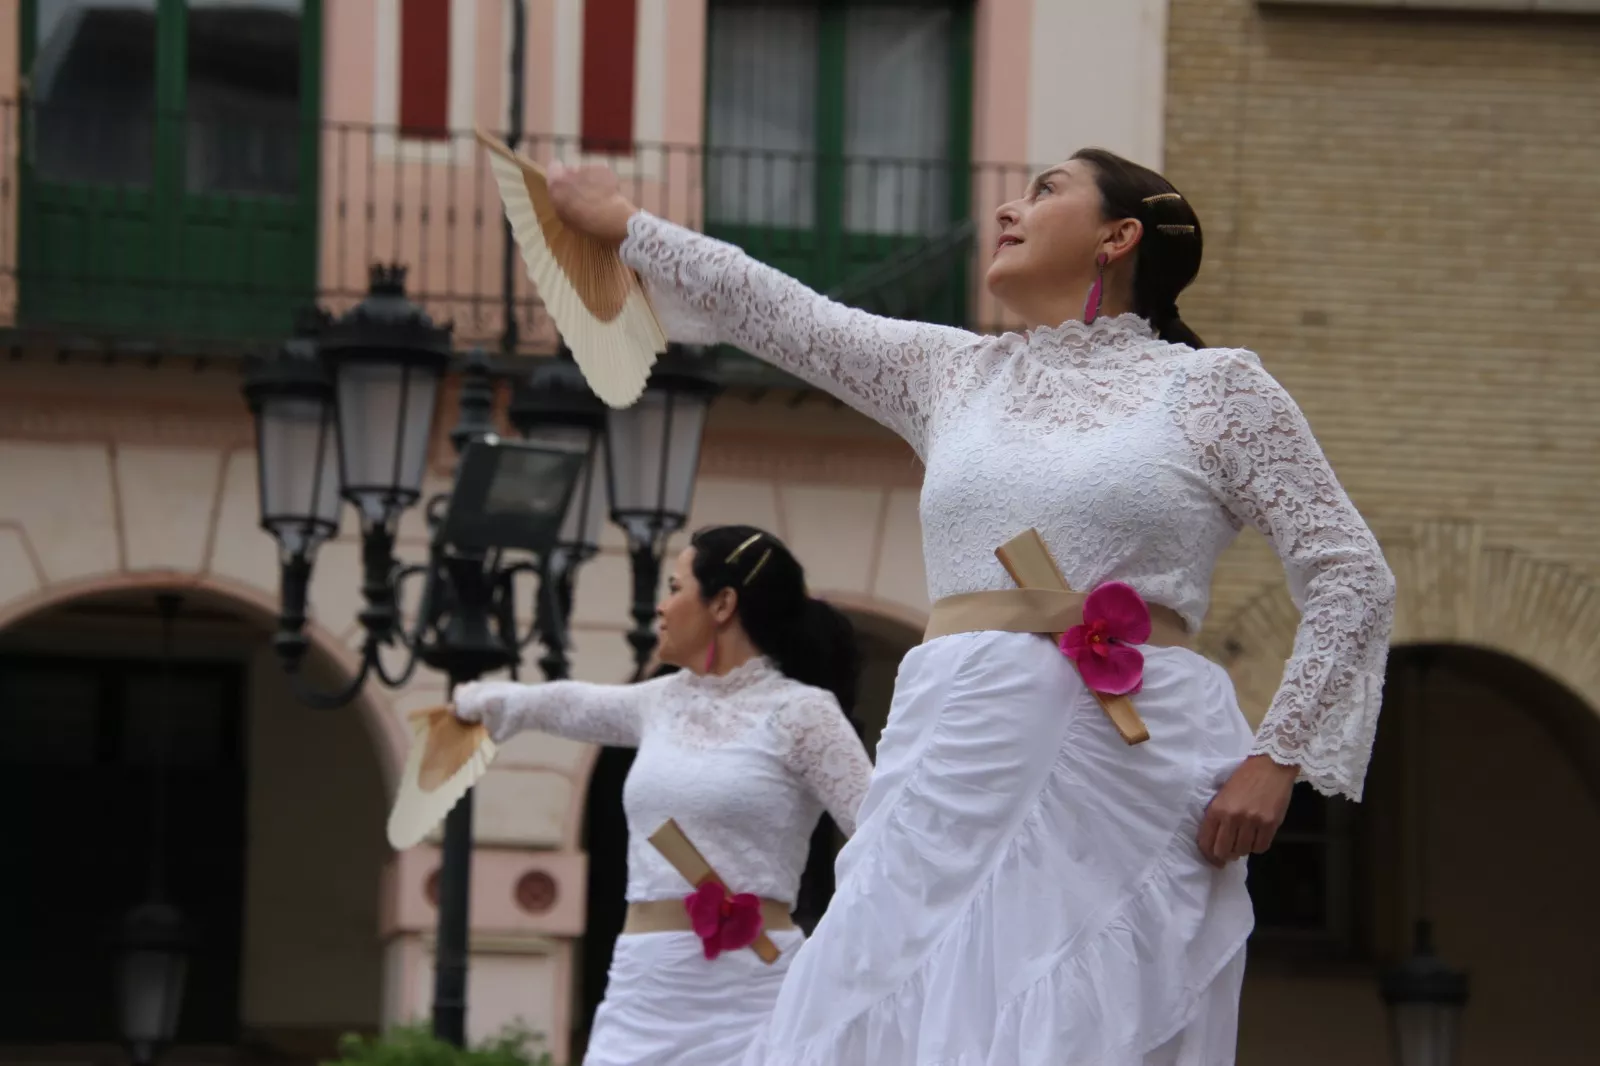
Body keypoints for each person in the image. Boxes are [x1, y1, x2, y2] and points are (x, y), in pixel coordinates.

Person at [536, 147, 1397, 1065]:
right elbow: (781, 311)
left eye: (1046, 191)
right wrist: (626, 225)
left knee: (1079, 1026)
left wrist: (1277, 759)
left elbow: (1351, 573)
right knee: (884, 994)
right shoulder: (951, 373)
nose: (1007, 210)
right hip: (953, 752)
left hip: (1128, 769)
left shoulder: (1217, 389)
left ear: (1120, 236)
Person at [451, 525, 874, 1066]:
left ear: (722, 603)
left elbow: (881, 836)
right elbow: (566, 703)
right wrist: (478, 699)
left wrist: (847, 954)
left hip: (753, 995)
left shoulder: (804, 714)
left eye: (675, 588)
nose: (661, 607)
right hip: (643, 989)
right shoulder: (661, 702)